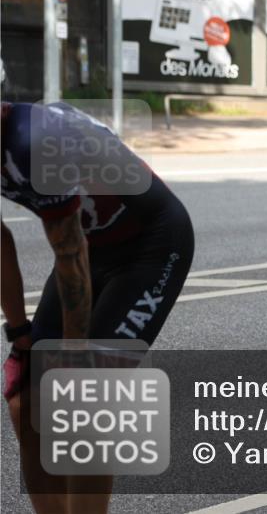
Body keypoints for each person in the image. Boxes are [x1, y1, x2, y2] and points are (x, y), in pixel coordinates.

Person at [1, 101, 195, 513]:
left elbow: (70, 255)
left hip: (151, 246)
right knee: (25, 400)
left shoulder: (33, 142)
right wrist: (19, 336)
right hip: (91, 247)